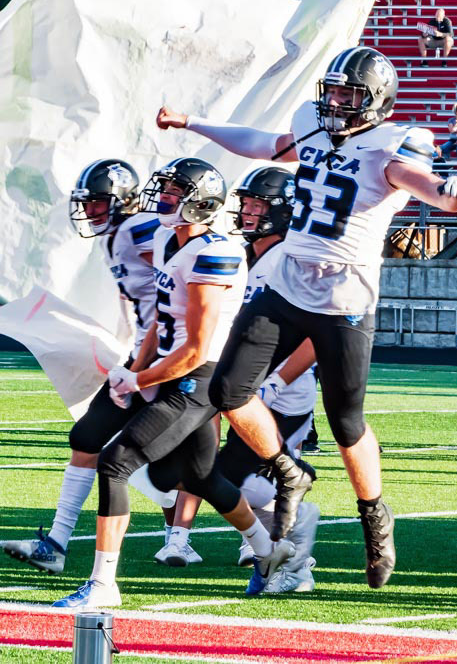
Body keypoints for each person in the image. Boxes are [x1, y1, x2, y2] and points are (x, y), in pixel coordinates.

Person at [156, 46, 457, 589]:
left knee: (346, 421)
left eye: (349, 94)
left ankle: (375, 516)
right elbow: (264, 144)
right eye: (333, 91)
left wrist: (450, 195)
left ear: (375, 101)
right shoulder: (313, 126)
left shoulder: (389, 146)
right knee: (229, 390)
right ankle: (288, 471)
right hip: (287, 282)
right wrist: (193, 123)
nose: (335, 102)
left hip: (344, 296)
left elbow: (425, 185)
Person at [53, 158, 296, 608]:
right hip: (169, 369)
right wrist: (135, 368)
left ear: (200, 203)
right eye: (162, 189)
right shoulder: (168, 238)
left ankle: (103, 585)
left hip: (197, 379)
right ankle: (269, 551)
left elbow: (196, 349)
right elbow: (160, 320)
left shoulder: (215, 252)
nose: (162, 199)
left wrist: (138, 380)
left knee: (116, 463)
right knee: (201, 476)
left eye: (173, 192)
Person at [0, 159, 171, 575]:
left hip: (175, 360)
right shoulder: (115, 238)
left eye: (97, 202)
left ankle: (267, 539)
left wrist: (144, 360)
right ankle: (55, 544)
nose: (90, 211)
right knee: (87, 436)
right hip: (146, 355)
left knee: (192, 470)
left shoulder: (141, 229)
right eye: (86, 203)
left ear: (122, 200)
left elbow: (172, 290)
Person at [186, 167, 322, 592]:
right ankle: (282, 547)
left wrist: (275, 382)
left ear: (283, 211)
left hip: (282, 395)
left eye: (258, 204)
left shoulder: (293, 259)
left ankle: (295, 560)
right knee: (219, 478)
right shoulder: (242, 254)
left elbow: (318, 336)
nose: (247, 211)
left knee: (238, 481)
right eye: (246, 203)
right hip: (242, 389)